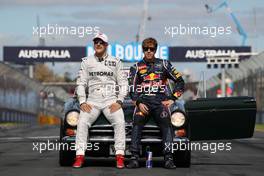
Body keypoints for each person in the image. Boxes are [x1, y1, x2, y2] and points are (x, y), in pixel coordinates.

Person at [126, 37, 185, 169]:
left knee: (167, 123)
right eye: (146, 49)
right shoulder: (135, 67)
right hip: (144, 102)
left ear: (155, 50)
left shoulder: (164, 64)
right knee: (137, 121)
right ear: (143, 50)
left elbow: (180, 81)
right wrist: (138, 102)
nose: (148, 51)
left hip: (160, 103)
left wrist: (173, 98)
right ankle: (134, 157)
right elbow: (132, 88)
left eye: (151, 49)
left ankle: (168, 158)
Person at [72, 33, 128, 169]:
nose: (98, 44)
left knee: (120, 122)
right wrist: (82, 102)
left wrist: (119, 101)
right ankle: (79, 156)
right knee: (82, 122)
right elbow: (81, 83)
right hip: (92, 101)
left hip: (111, 101)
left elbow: (123, 84)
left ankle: (120, 156)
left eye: (101, 42)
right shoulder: (86, 61)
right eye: (96, 42)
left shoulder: (116, 61)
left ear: (106, 45)